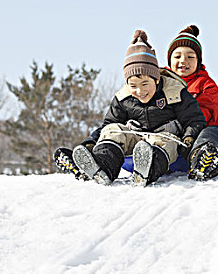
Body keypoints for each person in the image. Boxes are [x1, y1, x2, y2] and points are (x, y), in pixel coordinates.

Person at [70, 29, 206, 187]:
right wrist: (94, 142)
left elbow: (194, 119)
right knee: (113, 131)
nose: (140, 91)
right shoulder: (123, 97)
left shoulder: (174, 91)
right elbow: (109, 124)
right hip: (136, 138)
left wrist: (189, 138)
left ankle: (147, 170)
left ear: (156, 79)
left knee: (164, 143)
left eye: (145, 84)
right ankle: (104, 166)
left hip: (165, 137)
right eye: (133, 85)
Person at [165, 25, 218, 180]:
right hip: (167, 135)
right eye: (177, 56)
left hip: (195, 135)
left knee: (215, 131)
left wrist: (194, 119)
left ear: (198, 61)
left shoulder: (204, 83)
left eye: (190, 57)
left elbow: (215, 109)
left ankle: (202, 157)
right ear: (169, 60)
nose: (183, 61)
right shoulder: (161, 83)